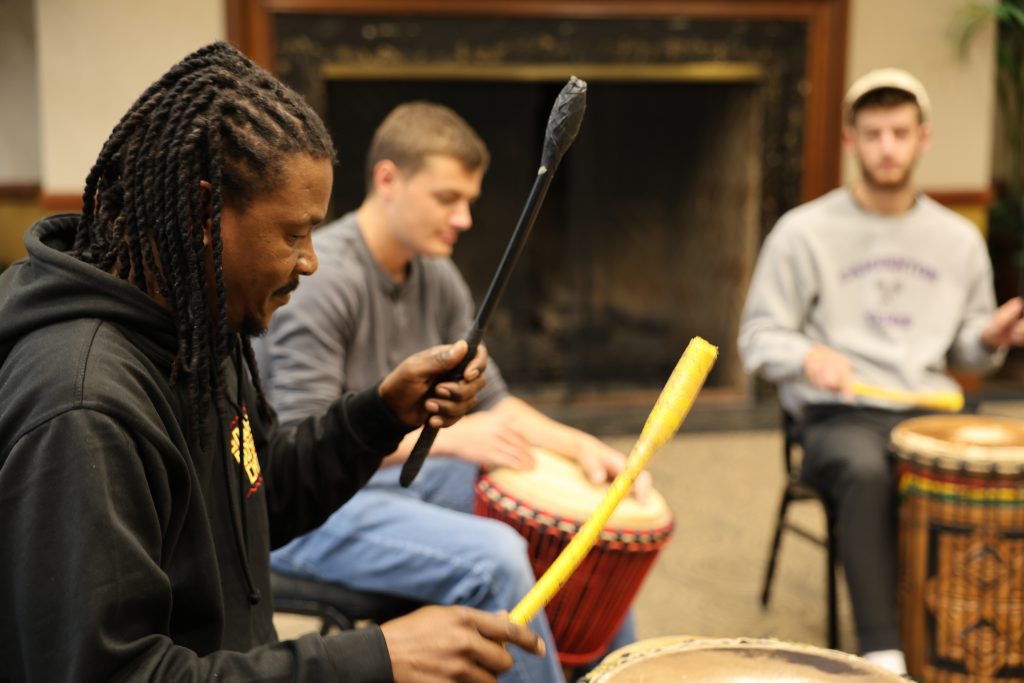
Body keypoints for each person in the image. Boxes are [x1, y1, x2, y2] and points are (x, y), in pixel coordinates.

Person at [0, 42, 546, 682]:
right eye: (294, 234)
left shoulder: (202, 327)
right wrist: (372, 658)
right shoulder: (83, 405)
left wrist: (378, 413)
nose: (311, 261)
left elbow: (260, 500)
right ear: (205, 214)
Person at [257, 101, 649, 682]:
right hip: (308, 512)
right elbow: (300, 449)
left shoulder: (435, 274)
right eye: (448, 199)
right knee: (497, 557)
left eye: (469, 200)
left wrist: (580, 446)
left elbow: (494, 405)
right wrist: (457, 438)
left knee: (577, 526)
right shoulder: (325, 280)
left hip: (395, 484)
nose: (464, 218)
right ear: (388, 180)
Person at [738, 67, 1024, 675]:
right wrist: (807, 356)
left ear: (923, 138)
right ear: (850, 141)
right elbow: (757, 339)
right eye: (873, 134)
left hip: (931, 408)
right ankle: (884, 653)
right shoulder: (803, 232)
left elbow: (965, 354)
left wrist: (989, 338)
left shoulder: (957, 240)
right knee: (869, 471)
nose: (886, 147)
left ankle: (992, 624)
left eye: (899, 132)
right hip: (837, 414)